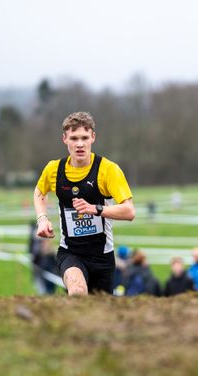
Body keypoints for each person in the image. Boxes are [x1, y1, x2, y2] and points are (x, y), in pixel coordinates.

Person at [34, 111, 135, 295]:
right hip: (70, 252)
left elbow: (129, 211)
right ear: (64, 139)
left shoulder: (108, 170)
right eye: (74, 138)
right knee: (78, 291)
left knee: (100, 313)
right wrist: (42, 219)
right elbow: (39, 193)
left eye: (84, 137)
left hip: (102, 257)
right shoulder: (54, 169)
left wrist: (96, 209)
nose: (79, 144)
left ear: (93, 138)